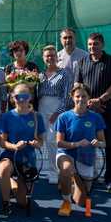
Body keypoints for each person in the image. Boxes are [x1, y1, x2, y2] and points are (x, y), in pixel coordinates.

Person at [74, 32, 111, 194]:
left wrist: (100, 100)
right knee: (87, 144)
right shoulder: (82, 61)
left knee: (108, 145)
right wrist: (88, 102)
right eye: (89, 44)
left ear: (102, 45)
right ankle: (89, 176)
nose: (92, 47)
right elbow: (77, 85)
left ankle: (110, 179)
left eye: (95, 44)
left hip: (106, 112)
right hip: (86, 112)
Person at [55, 84, 106, 217]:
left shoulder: (96, 118)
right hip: (66, 154)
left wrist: (98, 143)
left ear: (89, 98)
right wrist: (76, 144)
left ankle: (74, 180)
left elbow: (103, 143)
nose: (81, 99)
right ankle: (66, 201)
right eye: (78, 96)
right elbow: (59, 142)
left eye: (84, 96)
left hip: (86, 157)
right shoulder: (63, 117)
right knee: (66, 168)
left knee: (81, 202)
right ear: (72, 97)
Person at [0, 83, 45, 216]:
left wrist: (37, 143)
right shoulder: (6, 117)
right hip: (10, 156)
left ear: (30, 97)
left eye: (25, 96)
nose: (22, 100)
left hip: (28, 160)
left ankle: (13, 184)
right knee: (4, 169)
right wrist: (14, 146)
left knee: (22, 203)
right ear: (13, 97)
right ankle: (5, 203)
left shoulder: (37, 117)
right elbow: (2, 142)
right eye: (19, 97)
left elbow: (41, 142)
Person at [38, 45, 72, 184]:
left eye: (52, 55)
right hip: (40, 109)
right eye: (47, 56)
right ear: (43, 58)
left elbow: (66, 96)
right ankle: (35, 170)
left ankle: (55, 172)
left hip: (55, 110)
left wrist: (58, 113)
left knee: (53, 142)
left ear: (57, 57)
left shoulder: (64, 74)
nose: (50, 58)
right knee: (41, 139)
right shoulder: (40, 75)